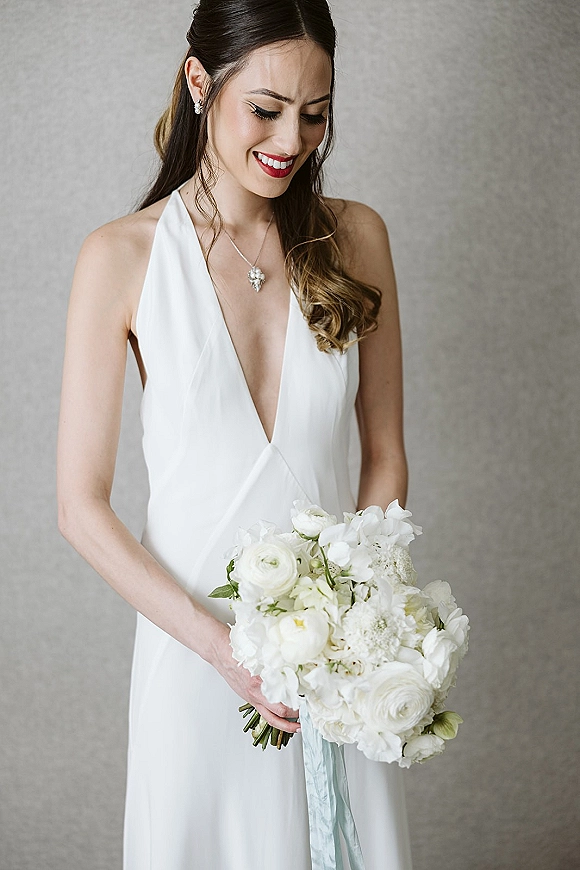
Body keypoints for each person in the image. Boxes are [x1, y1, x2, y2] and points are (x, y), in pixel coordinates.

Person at [56, 1, 413, 867]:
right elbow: (80, 506)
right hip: (193, 658)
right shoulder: (122, 257)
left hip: (334, 672)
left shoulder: (357, 239)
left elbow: (386, 455)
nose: (292, 139)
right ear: (198, 82)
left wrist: (348, 627)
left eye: (316, 112)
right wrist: (226, 654)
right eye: (266, 108)